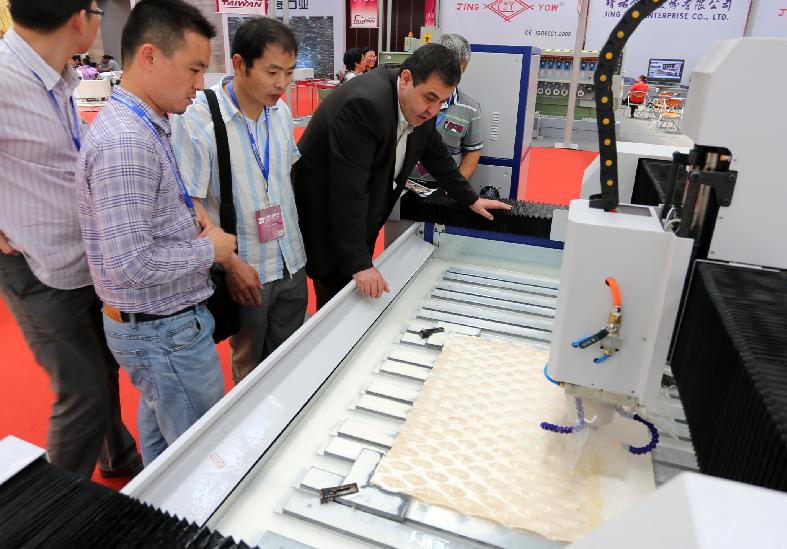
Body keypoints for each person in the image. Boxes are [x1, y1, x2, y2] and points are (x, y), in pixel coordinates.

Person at [76, 0, 236, 466]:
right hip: (163, 331)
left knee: (166, 456)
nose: (198, 84)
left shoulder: (147, 124)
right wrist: (211, 248)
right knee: (201, 459)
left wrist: (191, 220)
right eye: (193, 69)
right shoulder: (127, 141)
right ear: (149, 56)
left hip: (158, 329)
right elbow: (132, 263)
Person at [0, 0, 141, 479]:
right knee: (81, 392)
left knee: (102, 370)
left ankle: (117, 455)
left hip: (82, 254)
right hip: (35, 265)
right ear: (80, 18)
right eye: (99, 9)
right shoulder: (3, 79)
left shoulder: (60, 76)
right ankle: (57, 511)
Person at [292, 43, 510, 309]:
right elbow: (347, 191)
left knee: (355, 293)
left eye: (442, 101)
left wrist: (470, 199)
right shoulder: (364, 105)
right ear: (405, 78)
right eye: (430, 98)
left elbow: (437, 156)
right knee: (337, 303)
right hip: (327, 215)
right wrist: (359, 264)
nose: (434, 109)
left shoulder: (419, 105)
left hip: (359, 210)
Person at [172, 17, 308, 384]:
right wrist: (230, 265)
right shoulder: (198, 117)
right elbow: (190, 205)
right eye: (272, 71)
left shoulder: (280, 111)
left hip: (291, 261)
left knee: (292, 359)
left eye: (290, 72)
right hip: (247, 271)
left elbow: (283, 178)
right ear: (238, 64)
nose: (282, 84)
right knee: (251, 370)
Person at [412, 33, 482, 184]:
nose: (450, 75)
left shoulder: (471, 109)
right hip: (401, 185)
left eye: (457, 69)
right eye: (444, 67)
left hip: (442, 188)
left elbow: (472, 152)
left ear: (465, 68)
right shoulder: (412, 96)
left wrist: (453, 188)